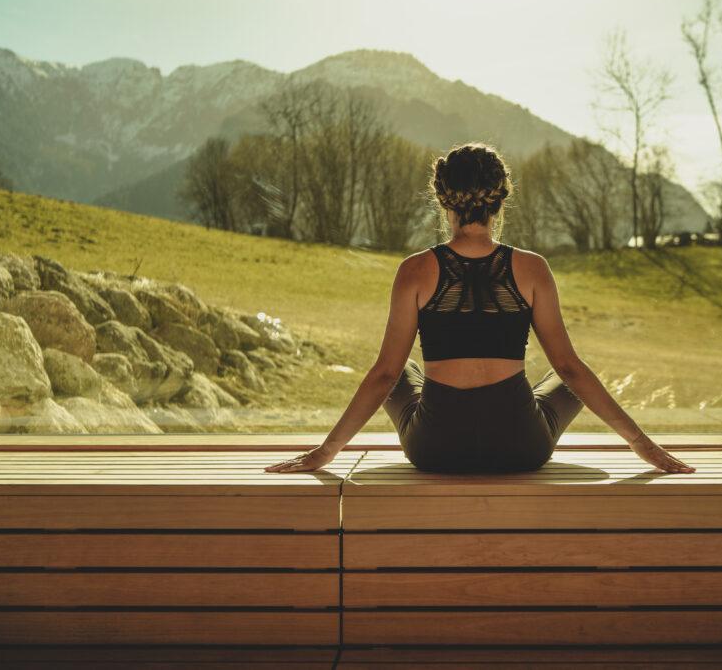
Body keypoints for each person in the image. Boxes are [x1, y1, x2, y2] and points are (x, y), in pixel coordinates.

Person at [266, 143, 695, 475]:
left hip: (435, 448)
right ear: (499, 201)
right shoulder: (532, 269)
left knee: (400, 373)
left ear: (443, 201)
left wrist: (325, 452)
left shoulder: (414, 271)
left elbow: (382, 376)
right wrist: (644, 446)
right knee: (565, 379)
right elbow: (570, 367)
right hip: (520, 446)